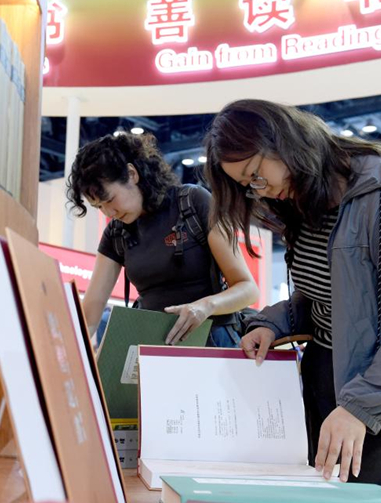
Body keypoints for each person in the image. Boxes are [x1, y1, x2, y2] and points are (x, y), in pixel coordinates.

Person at [203, 99, 381, 503]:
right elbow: (329, 296)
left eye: (256, 174)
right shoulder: (308, 202)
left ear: (283, 141)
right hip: (339, 385)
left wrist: (362, 405)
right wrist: (273, 322)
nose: (259, 189)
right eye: (248, 186)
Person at [66, 132, 259, 347]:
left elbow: (248, 289)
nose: (108, 213)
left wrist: (206, 306)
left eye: (110, 200)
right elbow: (90, 316)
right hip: (155, 347)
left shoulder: (193, 202)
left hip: (212, 340)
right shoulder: (116, 233)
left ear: (132, 174)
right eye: (98, 207)